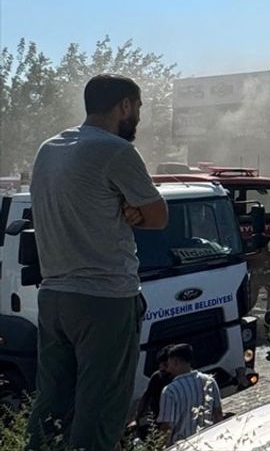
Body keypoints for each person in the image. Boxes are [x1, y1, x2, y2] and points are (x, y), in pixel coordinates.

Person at [26, 74, 169, 451]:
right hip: (104, 299)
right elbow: (158, 216)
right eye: (137, 107)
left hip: (54, 296)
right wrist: (134, 211)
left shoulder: (48, 148)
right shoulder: (115, 151)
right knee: (100, 411)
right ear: (124, 105)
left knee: (52, 407)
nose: (138, 116)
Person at [156, 344, 223, 444]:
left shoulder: (170, 391)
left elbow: (167, 427)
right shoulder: (209, 381)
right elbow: (217, 414)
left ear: (175, 362)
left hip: (181, 445)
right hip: (208, 441)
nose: (168, 369)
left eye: (169, 364)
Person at [132, 346, 175, 438]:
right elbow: (146, 397)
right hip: (156, 418)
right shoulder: (157, 377)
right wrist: (137, 418)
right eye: (161, 365)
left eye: (165, 365)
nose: (162, 368)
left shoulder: (177, 380)